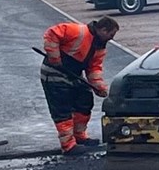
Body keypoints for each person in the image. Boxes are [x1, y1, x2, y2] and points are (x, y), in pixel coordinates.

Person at [40, 16, 119, 155]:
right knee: (62, 109)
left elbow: (94, 69)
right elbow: (51, 33)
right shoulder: (77, 31)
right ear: (103, 29)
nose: (111, 38)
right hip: (54, 73)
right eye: (111, 34)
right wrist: (55, 58)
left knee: (84, 100)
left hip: (73, 74)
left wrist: (99, 87)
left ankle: (79, 136)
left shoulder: (99, 47)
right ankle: (68, 145)